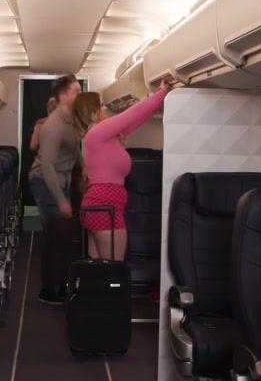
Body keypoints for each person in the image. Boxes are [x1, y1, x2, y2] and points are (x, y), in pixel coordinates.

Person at [72, 78, 179, 260]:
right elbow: (130, 115)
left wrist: (153, 97)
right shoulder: (98, 132)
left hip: (101, 206)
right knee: (113, 269)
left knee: (99, 269)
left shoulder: (102, 134)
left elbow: (135, 119)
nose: (105, 109)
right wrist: (161, 94)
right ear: (92, 110)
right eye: (101, 105)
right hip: (105, 208)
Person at [29, 74, 82, 304]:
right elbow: (47, 166)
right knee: (57, 233)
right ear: (63, 96)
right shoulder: (53, 126)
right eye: (76, 91)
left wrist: (84, 169)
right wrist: (61, 199)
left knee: (64, 234)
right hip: (45, 180)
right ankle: (50, 290)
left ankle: (61, 284)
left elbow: (74, 151)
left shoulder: (71, 120)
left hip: (60, 179)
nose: (80, 95)